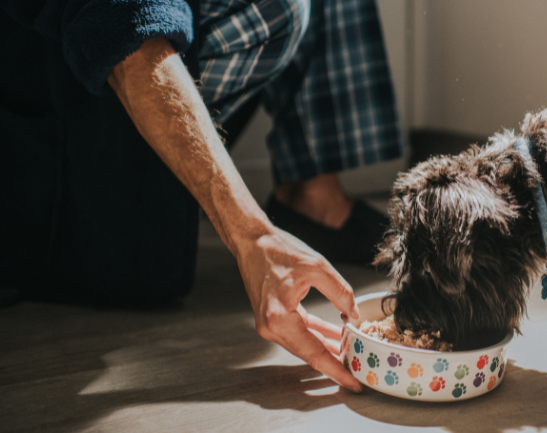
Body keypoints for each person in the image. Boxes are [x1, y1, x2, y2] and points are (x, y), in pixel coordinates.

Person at [0, 0, 403, 393]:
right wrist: (253, 235)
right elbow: (126, 26)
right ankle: (153, 158)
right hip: (64, 180)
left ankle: (313, 196)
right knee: (278, 7)